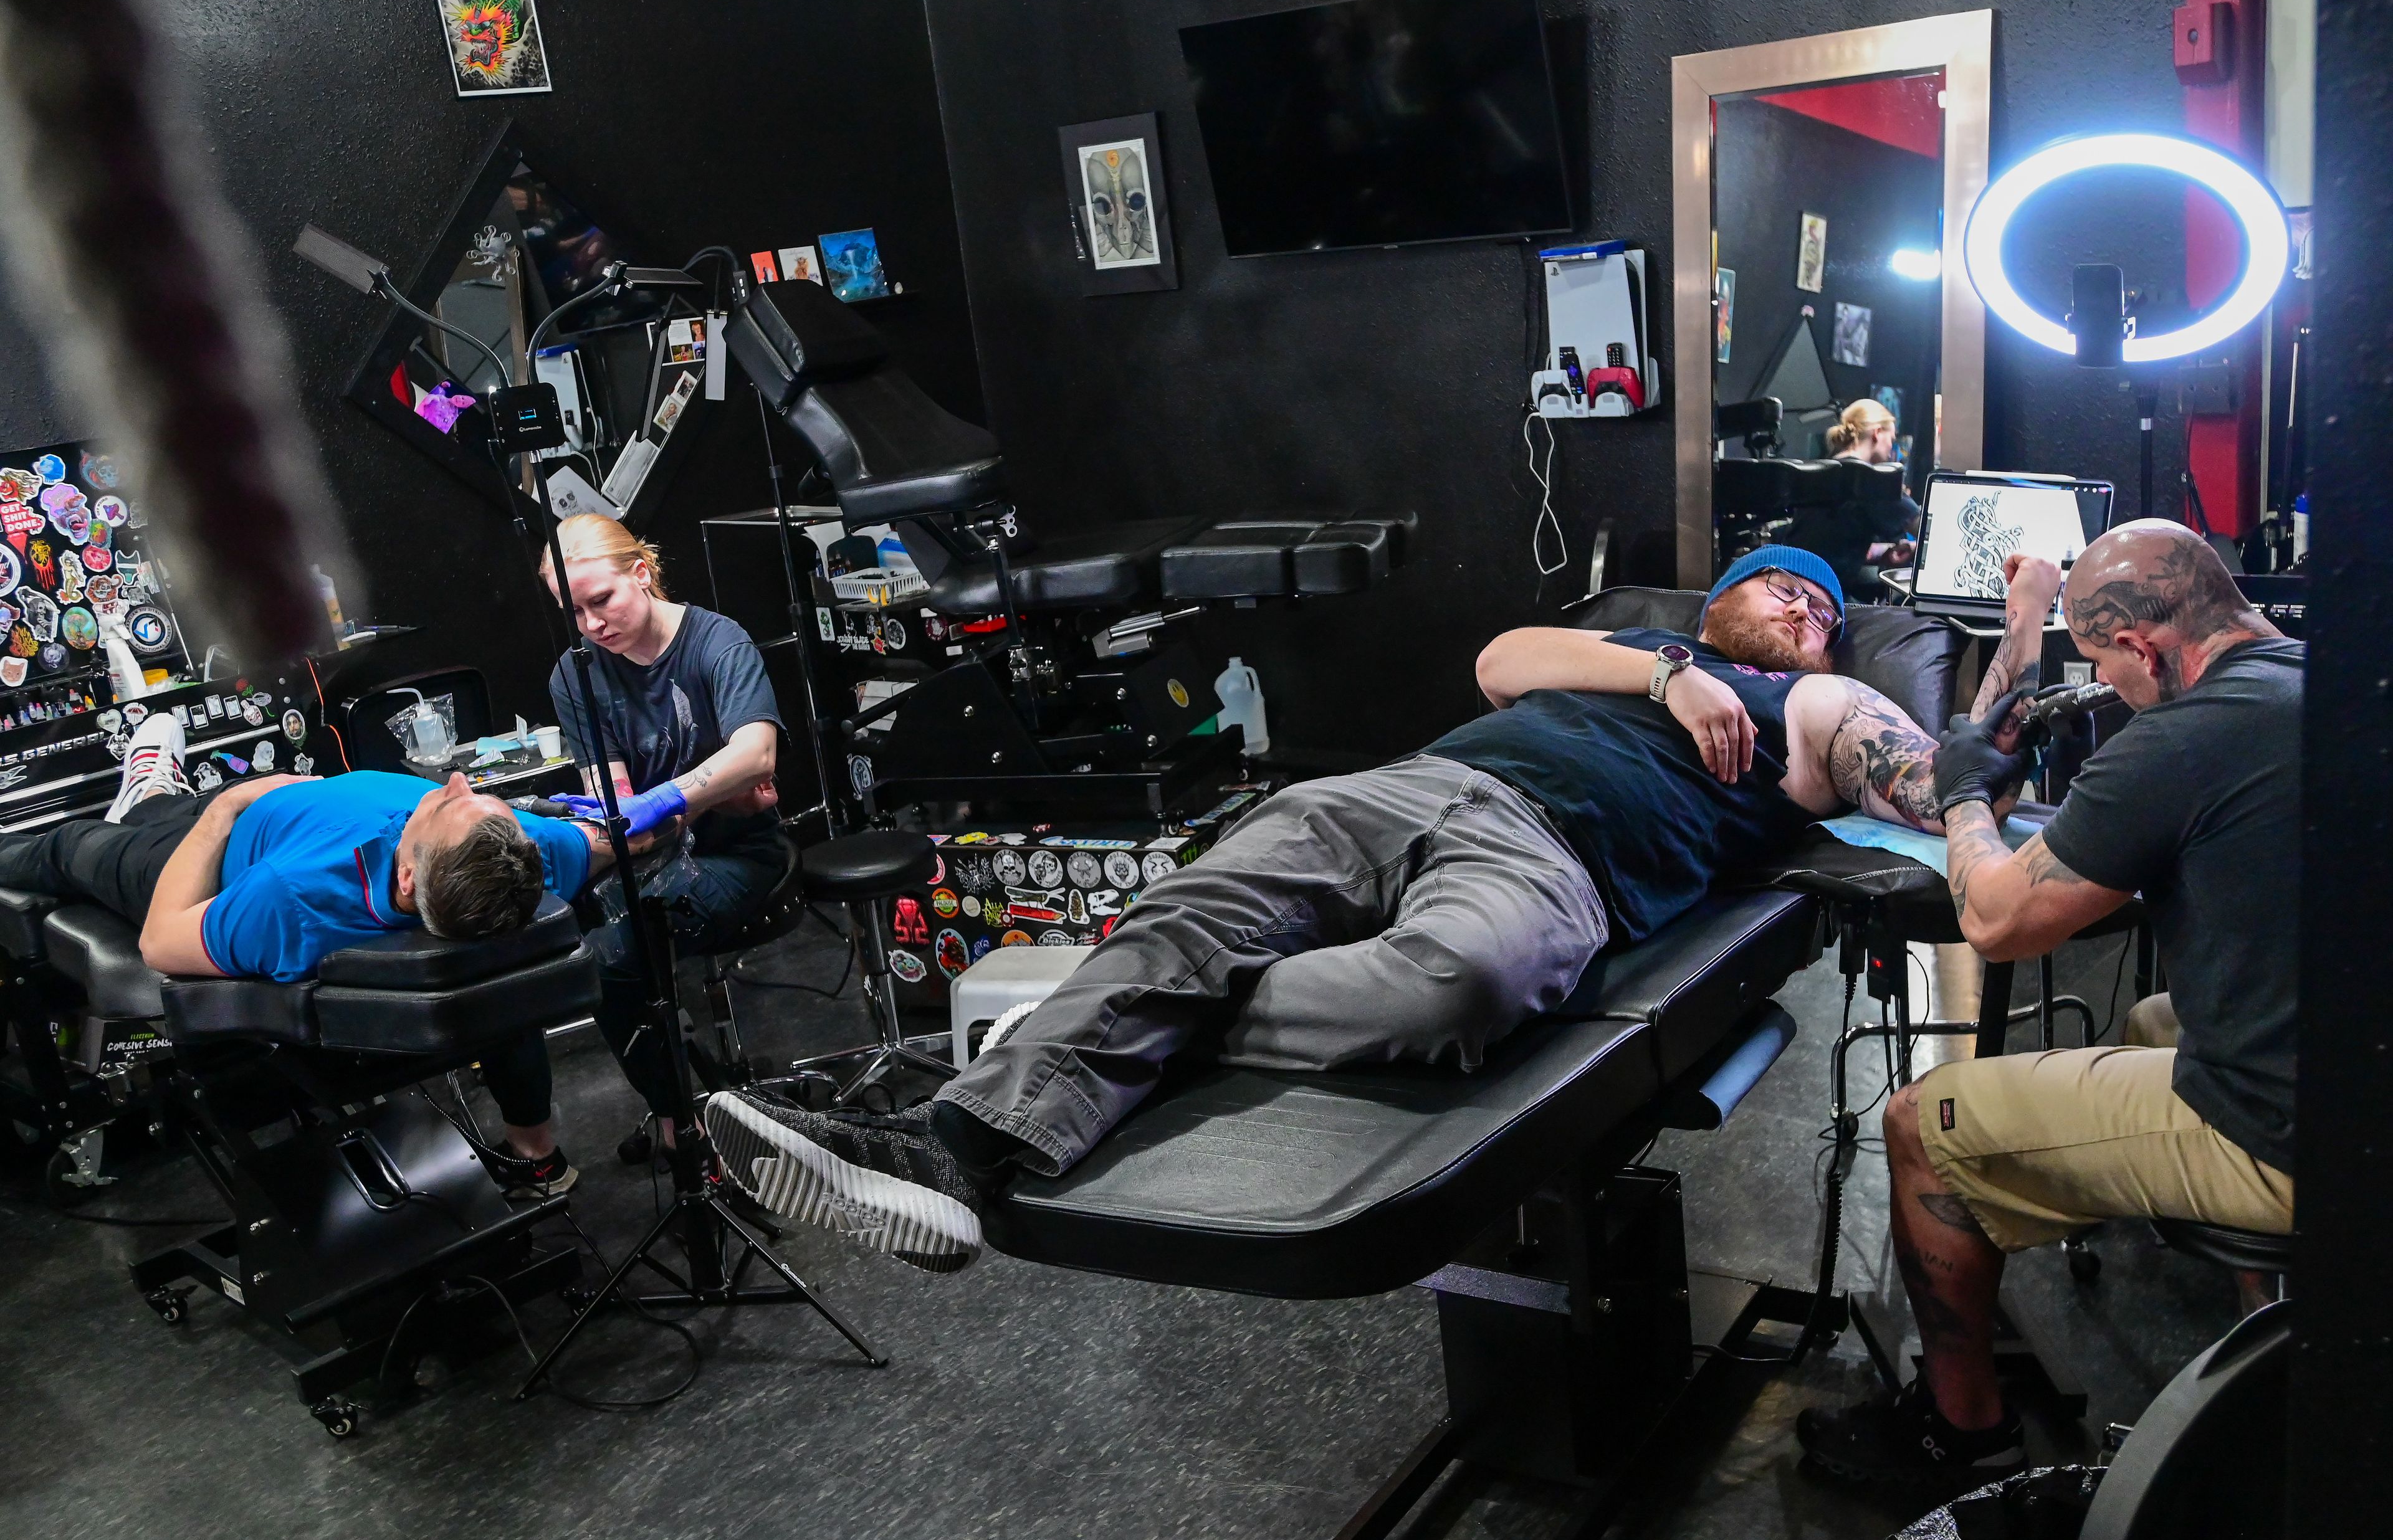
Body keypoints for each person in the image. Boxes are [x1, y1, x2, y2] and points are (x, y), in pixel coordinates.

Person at [707, 543, 2048, 1275]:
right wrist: (1663, 671)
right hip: (1414, 785)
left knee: (1457, 986)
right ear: (1717, 601)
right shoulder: (1641, 653)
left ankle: (1056, 1057)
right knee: (1195, 906)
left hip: (1553, 863)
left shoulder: (1817, 708)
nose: (1803, 606)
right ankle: (936, 1151)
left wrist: (2027, 626)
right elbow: (1500, 659)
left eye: (1821, 602)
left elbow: (1947, 776)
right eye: (1776, 581)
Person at [1795, 520, 2298, 1481]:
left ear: (2148, 646)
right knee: (2156, 1020)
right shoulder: (2327, 676)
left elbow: (1995, 919)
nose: (2110, 688)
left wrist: (1965, 797)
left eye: (2111, 667)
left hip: (2283, 1132)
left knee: (1922, 1123)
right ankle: (2270, 1357)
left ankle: (1961, 1437)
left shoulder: (2181, 740)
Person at [0, 715, 619, 1194]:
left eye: (445, 802)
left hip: (213, 854)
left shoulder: (293, 899)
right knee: (159, 807)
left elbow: (160, 940)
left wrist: (222, 814)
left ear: (407, 879)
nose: (453, 782)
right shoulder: (520, 854)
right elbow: (612, 840)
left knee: (69, 846)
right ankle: (538, 1155)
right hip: (289, 812)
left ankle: (154, 796)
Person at [480, 514, 785, 1176]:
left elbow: (756, 751)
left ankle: (685, 1129)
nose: (592, 625)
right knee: (536, 935)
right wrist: (701, 795)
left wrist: (669, 799)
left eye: (603, 601)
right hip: (649, 858)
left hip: (738, 854)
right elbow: (623, 810)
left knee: (613, 954)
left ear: (641, 573)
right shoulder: (576, 673)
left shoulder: (716, 642)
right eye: (575, 611)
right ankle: (553, 1141)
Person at [1779, 398, 1921, 605]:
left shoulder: (1822, 471)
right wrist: (1917, 546)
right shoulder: (1872, 479)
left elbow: (1834, 542)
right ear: (1876, 433)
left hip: (1794, 589)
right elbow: (1928, 531)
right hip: (1831, 598)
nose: (1892, 447)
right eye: (1891, 438)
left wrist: (1889, 551)